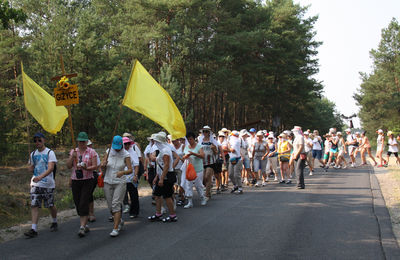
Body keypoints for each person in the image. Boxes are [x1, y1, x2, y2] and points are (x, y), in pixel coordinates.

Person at [24, 132, 58, 238]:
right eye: (35, 140)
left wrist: (41, 177)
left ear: (44, 140)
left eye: (39, 140)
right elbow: (32, 166)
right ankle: (33, 228)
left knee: (50, 205)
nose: (37, 142)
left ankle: (54, 221)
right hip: (35, 183)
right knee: (34, 205)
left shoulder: (50, 153)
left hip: (47, 183)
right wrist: (30, 169)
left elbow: (51, 168)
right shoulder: (33, 154)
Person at [66, 132, 98, 237]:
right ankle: (85, 223)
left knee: (84, 201)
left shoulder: (92, 152)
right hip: (76, 179)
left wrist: (86, 168)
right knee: (77, 202)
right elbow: (68, 166)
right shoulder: (73, 151)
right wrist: (72, 157)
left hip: (88, 179)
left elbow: (95, 166)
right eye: (80, 141)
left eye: (83, 141)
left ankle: (82, 227)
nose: (81, 143)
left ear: (86, 141)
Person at [101, 135, 132, 237]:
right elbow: (102, 165)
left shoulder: (126, 154)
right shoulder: (108, 152)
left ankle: (115, 228)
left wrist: (122, 172)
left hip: (120, 182)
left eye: (118, 148)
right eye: (115, 147)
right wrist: (103, 164)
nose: (117, 150)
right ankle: (119, 220)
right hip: (108, 180)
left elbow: (130, 170)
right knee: (110, 206)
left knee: (116, 204)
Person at [147, 132, 178, 222]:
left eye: (156, 141)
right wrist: (157, 177)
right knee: (157, 195)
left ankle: (172, 215)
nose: (155, 143)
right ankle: (158, 213)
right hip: (161, 176)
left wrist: (161, 179)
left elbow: (166, 166)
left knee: (167, 196)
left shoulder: (165, 151)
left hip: (166, 178)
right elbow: (160, 165)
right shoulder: (162, 150)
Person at [183, 131, 207, 208]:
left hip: (198, 169)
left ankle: (203, 198)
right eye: (188, 139)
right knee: (188, 185)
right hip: (189, 168)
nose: (190, 141)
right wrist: (185, 157)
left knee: (198, 185)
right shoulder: (186, 147)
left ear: (194, 139)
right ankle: (190, 202)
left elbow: (203, 156)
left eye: (191, 139)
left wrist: (193, 154)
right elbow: (184, 156)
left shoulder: (199, 146)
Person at [198, 126, 219, 202]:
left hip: (210, 162)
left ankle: (207, 194)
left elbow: (216, 152)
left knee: (207, 176)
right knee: (203, 179)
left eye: (206, 131)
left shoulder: (212, 141)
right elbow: (198, 149)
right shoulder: (200, 141)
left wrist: (213, 149)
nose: (205, 133)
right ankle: (209, 189)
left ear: (209, 132)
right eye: (204, 131)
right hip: (202, 162)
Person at [122, 137, 140, 218]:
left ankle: (134, 211)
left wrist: (135, 175)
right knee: (120, 195)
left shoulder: (132, 153)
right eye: (125, 144)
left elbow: (136, 165)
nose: (127, 145)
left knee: (133, 195)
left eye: (128, 143)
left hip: (131, 177)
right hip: (121, 177)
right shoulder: (120, 152)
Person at [87, 139, 100, 223]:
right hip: (80, 176)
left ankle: (91, 213)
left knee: (88, 194)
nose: (89, 147)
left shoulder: (93, 153)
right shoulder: (78, 152)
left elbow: (97, 165)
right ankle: (85, 213)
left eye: (89, 145)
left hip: (92, 175)